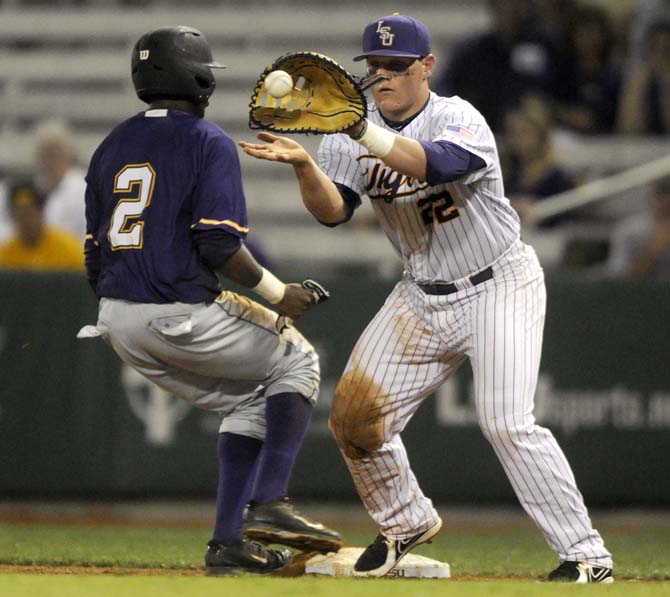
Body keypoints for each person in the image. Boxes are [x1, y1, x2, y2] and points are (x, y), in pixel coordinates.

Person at [240, 13, 613, 583]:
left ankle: (588, 556)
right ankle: (404, 522)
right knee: (355, 421)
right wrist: (304, 167)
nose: (384, 75)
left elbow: (436, 163)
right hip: (421, 294)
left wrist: (362, 131)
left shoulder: (456, 115)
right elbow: (334, 213)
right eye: (376, 66)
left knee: (507, 421)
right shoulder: (346, 137)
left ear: (427, 68)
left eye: (397, 65)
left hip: (499, 283)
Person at [79, 26, 341, 576]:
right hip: (177, 309)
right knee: (299, 361)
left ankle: (228, 544)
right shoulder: (208, 141)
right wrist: (279, 293)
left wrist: (132, 305)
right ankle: (270, 501)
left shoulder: (109, 145)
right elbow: (219, 243)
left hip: (117, 322)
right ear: (197, 79)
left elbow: (93, 256)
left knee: (250, 401)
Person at [432, 0, 561, 132]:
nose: (508, 13)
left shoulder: (542, 45)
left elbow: (556, 89)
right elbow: (443, 86)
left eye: (514, 7)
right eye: (502, 6)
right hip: (478, 128)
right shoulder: (473, 49)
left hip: (529, 129)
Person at [501, 95, 575, 227]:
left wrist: (536, 208)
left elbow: (563, 215)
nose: (518, 139)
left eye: (524, 132)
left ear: (540, 135)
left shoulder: (555, 177)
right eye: (513, 133)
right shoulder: (508, 173)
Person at [0, 180, 83, 271]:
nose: (25, 221)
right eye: (20, 214)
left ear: (41, 212)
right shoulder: (6, 254)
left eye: (29, 213)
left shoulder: (66, 248)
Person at [32, 119, 88, 239]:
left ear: (67, 154)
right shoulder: (37, 190)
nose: (45, 162)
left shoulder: (83, 189)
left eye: (50, 154)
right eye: (41, 155)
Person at [607, 176, 670, 277]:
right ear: (654, 196)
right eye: (663, 193)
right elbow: (618, 278)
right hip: (642, 290)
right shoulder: (631, 229)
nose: (667, 201)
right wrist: (654, 252)